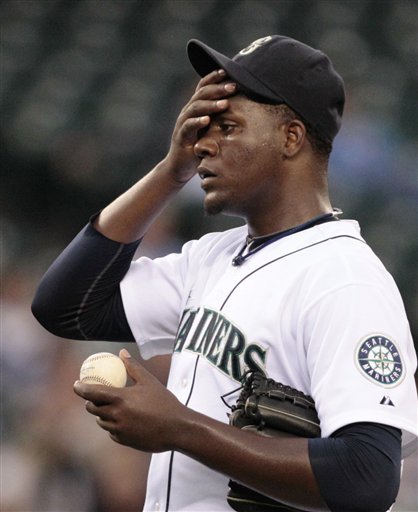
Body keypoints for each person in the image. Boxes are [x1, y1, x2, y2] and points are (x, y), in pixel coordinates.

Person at [32, 35, 418, 512]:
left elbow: (368, 478)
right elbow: (65, 307)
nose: (204, 144)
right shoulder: (210, 256)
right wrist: (171, 172)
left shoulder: (346, 280)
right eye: (204, 127)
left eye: (229, 127)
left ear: (291, 138)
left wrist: (182, 429)